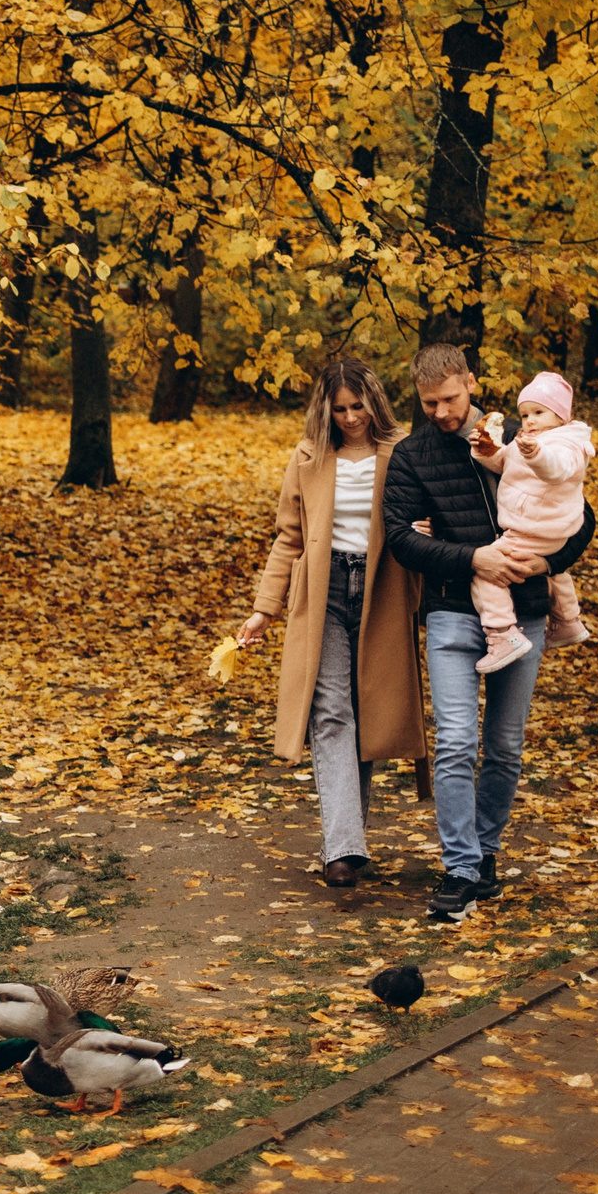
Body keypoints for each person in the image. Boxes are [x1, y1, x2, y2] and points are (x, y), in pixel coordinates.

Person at [383, 343, 596, 923]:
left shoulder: (522, 434)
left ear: (471, 384)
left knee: (503, 746)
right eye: (430, 403)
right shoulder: (411, 455)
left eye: (451, 399)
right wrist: (472, 557)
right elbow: (402, 536)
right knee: (455, 742)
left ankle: (487, 852)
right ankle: (459, 867)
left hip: (524, 610)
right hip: (451, 610)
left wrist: (548, 565)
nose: (443, 412)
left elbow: (581, 515)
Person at [235, 357, 424, 889]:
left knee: (368, 714)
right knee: (333, 712)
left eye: (357, 406)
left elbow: (420, 513)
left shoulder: (401, 451)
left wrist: (425, 527)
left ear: (374, 402)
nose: (349, 418)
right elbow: (288, 537)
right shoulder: (308, 457)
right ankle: (343, 848)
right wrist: (263, 608)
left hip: (383, 590)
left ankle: (346, 838)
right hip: (323, 593)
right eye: (339, 409)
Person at [466, 369, 593, 670]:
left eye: (538, 412)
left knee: (487, 570)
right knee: (555, 573)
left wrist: (536, 454)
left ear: (561, 416)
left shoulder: (567, 444)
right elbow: (504, 462)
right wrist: (484, 449)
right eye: (524, 415)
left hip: (535, 526)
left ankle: (501, 633)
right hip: (548, 531)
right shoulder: (528, 441)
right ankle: (568, 621)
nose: (530, 421)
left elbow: (557, 468)